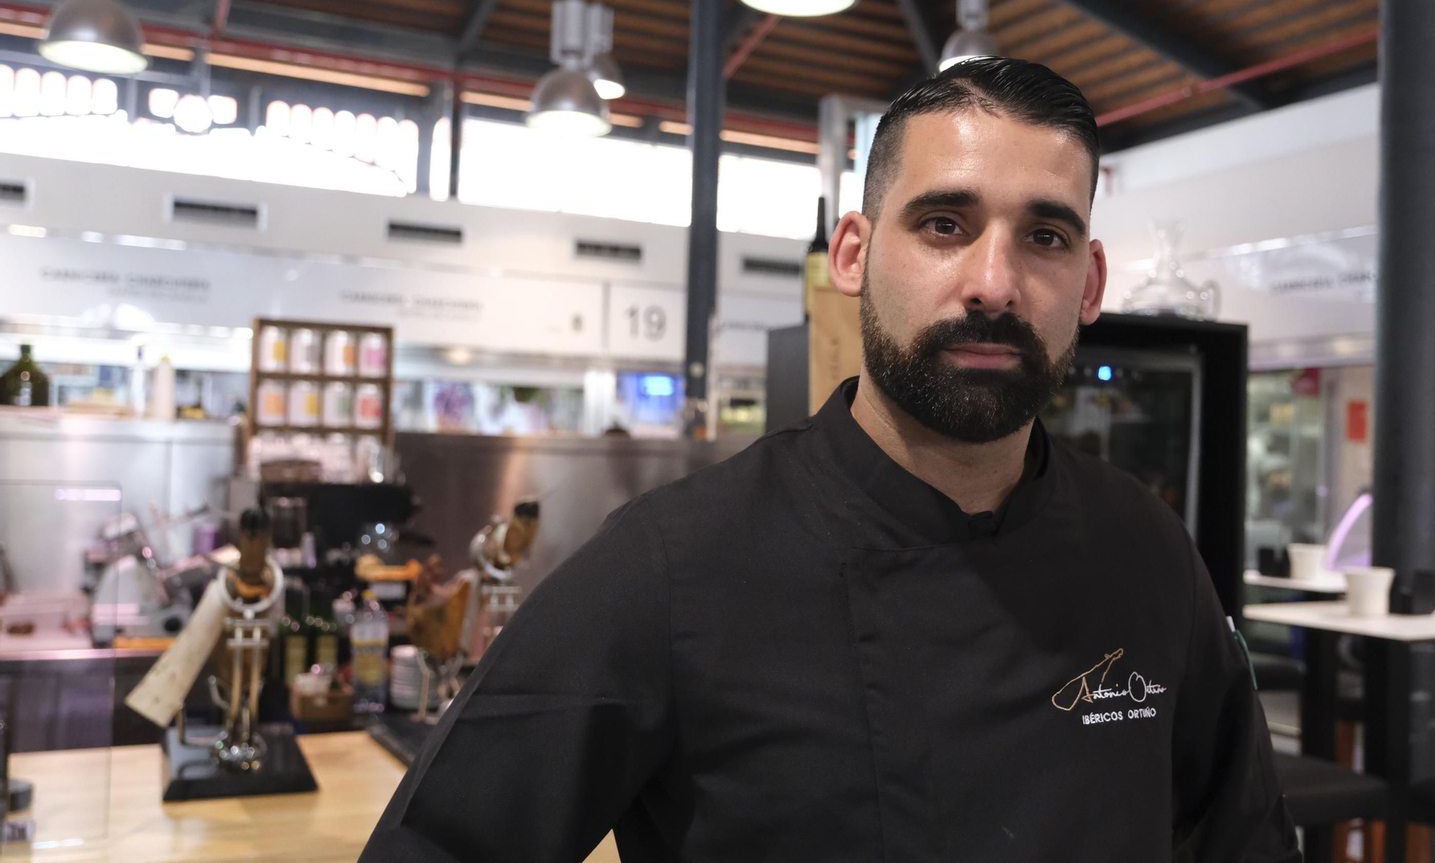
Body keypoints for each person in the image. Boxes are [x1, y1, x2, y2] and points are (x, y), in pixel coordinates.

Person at [360, 58, 1300, 863]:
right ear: (851, 255)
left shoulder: (1146, 550)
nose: (994, 282)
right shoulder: (671, 567)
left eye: (1044, 236)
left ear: (1088, 283)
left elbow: (1246, 840)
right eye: (943, 224)